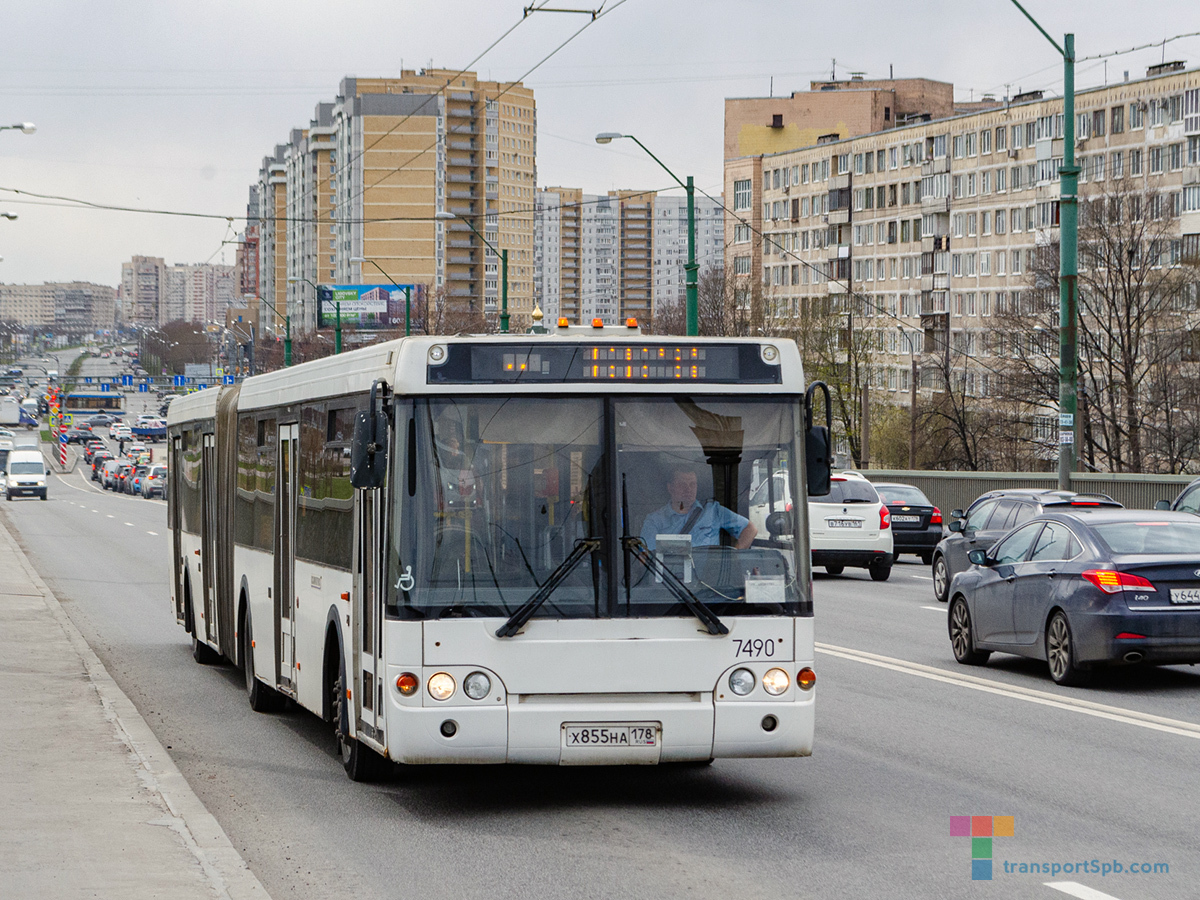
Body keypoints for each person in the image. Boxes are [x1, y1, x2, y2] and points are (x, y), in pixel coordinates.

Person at [640, 467, 757, 551]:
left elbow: (750, 529)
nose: (688, 489)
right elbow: (644, 557)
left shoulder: (713, 510)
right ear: (670, 488)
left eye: (692, 484)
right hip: (671, 581)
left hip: (709, 580)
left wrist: (733, 558)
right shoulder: (655, 520)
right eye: (682, 484)